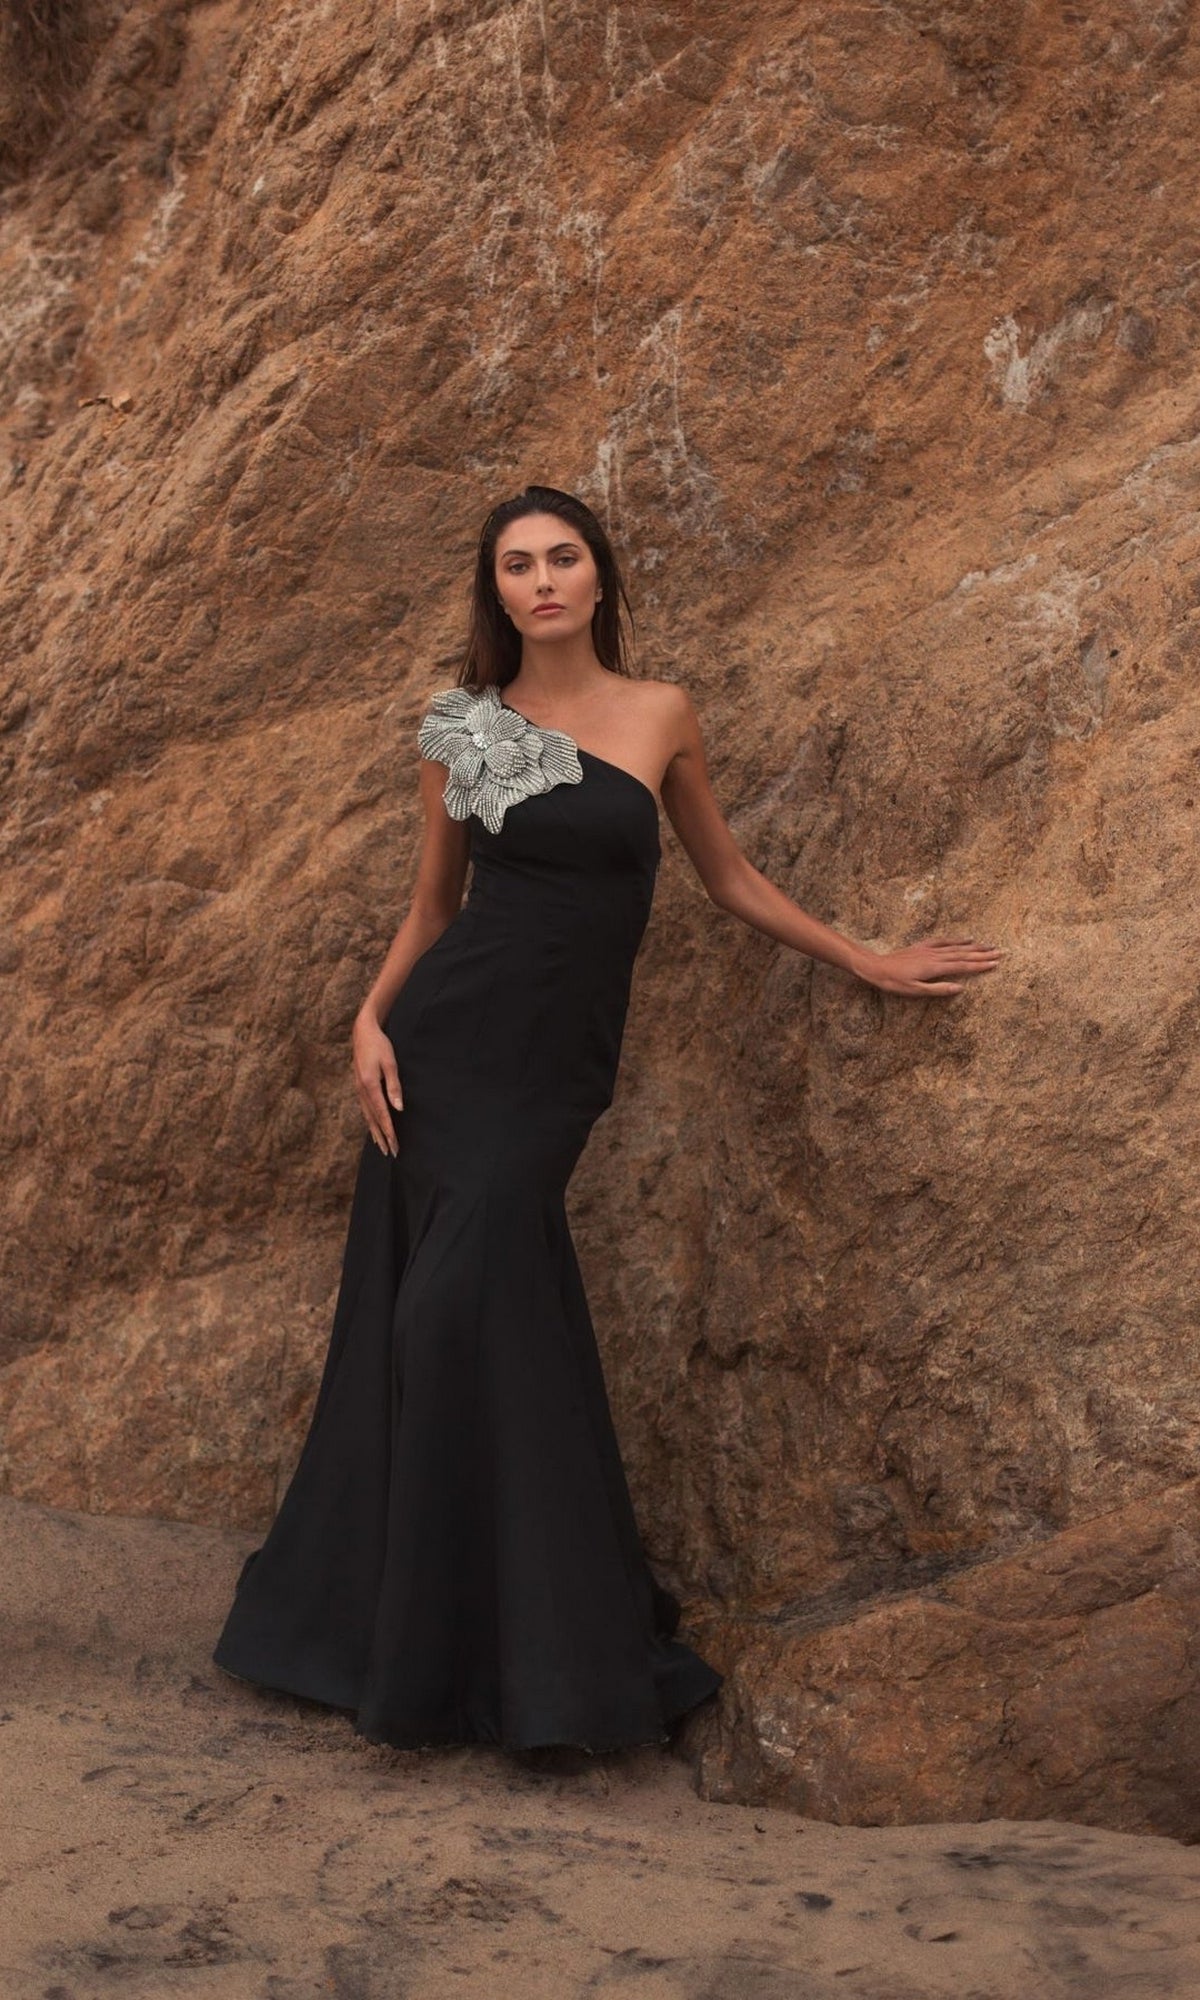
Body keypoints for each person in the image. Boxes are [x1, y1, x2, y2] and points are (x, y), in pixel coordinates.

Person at [213, 484, 1000, 1759]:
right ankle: (460, 1655)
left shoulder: (659, 714)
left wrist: (861, 955)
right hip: (446, 1048)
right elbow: (431, 906)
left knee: (466, 1311)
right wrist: (367, 1019)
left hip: (552, 1074)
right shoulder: (460, 724)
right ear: (498, 589)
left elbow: (727, 876)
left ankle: (527, 1650)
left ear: (597, 575)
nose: (540, 581)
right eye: (516, 564)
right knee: (447, 1318)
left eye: (561, 557)